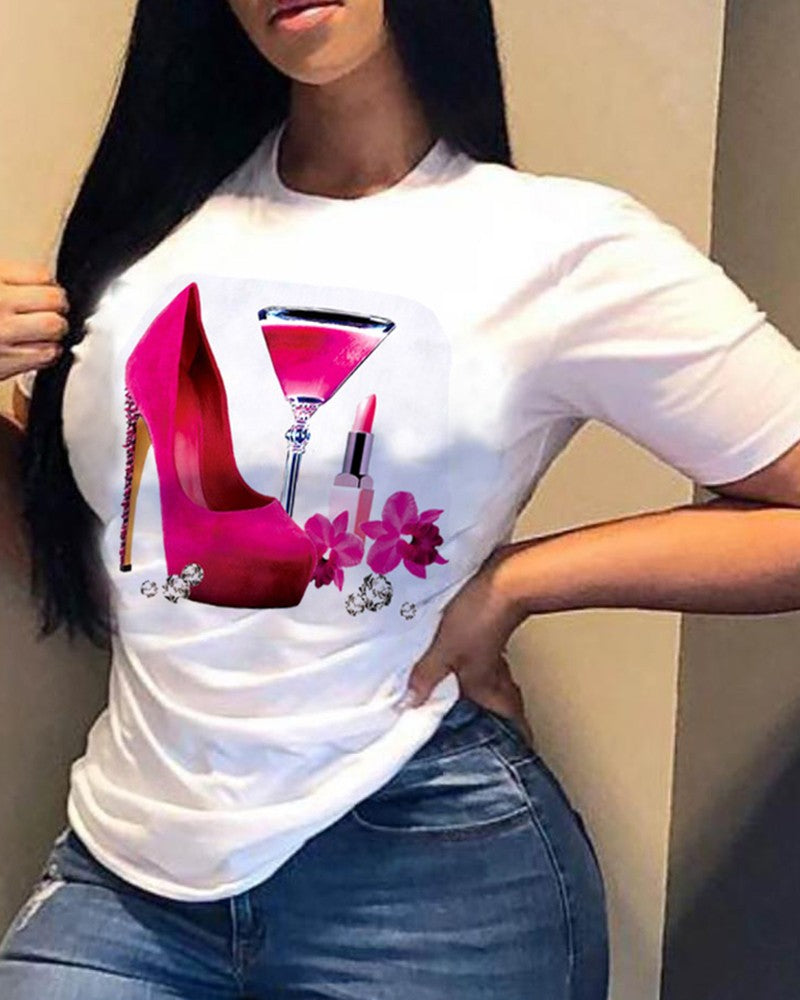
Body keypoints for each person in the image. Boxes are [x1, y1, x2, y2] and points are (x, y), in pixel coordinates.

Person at [3, 1, 800, 997]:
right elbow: (106, 560)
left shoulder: (557, 245)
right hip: (130, 869)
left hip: (431, 871)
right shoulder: (145, 230)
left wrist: (517, 582)